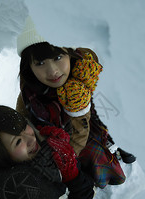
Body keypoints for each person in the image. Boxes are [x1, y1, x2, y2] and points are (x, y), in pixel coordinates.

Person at [15, 17, 136, 189]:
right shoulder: (30, 96)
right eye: (40, 63)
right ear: (29, 66)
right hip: (73, 141)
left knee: (110, 110)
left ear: (69, 52)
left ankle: (122, 144)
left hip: (102, 120)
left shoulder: (88, 69)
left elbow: (117, 102)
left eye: (58, 57)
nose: (52, 71)